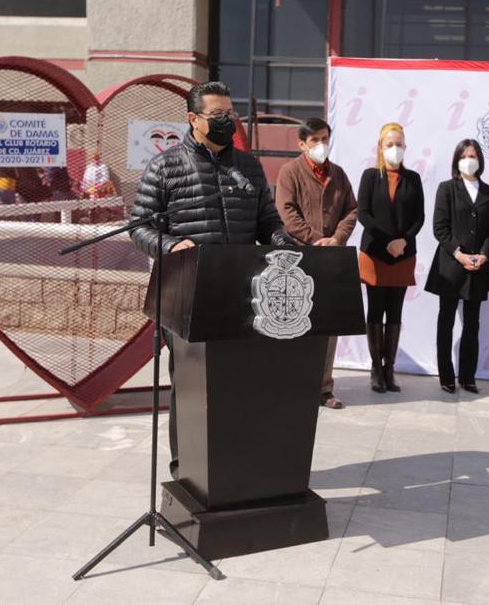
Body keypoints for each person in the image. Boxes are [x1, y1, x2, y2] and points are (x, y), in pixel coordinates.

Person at [129, 80, 293, 478]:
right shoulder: (165, 167)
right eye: (217, 115)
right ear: (193, 118)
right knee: (191, 387)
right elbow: (139, 228)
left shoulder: (249, 167)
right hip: (188, 295)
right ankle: (186, 470)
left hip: (241, 293)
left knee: (238, 384)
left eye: (230, 114)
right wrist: (172, 246)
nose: (227, 122)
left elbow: (268, 222)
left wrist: (284, 242)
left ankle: (232, 467)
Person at [276, 117, 359, 409]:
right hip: (300, 259)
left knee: (328, 324)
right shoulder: (289, 172)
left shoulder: (338, 174)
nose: (321, 145)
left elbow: (351, 210)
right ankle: (294, 383)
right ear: (302, 144)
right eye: (314, 140)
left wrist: (337, 238)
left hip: (331, 260)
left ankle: (324, 388)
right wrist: (315, 239)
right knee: (295, 322)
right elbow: (287, 212)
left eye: (324, 139)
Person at [425, 139, 489, 394]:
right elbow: (440, 228)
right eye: (464, 155)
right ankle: (446, 376)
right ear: (457, 160)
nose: (469, 160)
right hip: (451, 266)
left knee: (472, 323)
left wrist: (484, 255)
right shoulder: (446, 189)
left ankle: (468, 376)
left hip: (478, 267)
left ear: (480, 159)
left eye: (473, 155)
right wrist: (459, 254)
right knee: (445, 321)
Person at [357, 122, 425, 393]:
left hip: (403, 254)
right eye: (390, 144)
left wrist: (402, 241)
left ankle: (389, 369)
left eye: (399, 144)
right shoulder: (370, 176)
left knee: (395, 311)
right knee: (375, 310)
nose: (395, 149)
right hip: (375, 253)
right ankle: (376, 369)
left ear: (405, 147)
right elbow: (364, 214)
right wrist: (387, 241)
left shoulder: (413, 179)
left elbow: (419, 217)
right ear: (380, 147)